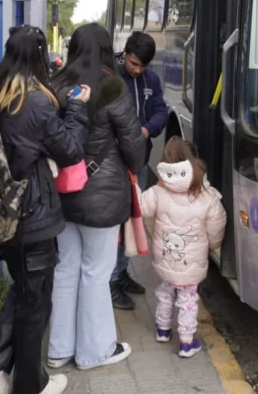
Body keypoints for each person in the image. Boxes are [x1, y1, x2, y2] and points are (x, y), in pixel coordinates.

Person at [0, 26, 90, 394]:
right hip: (34, 214)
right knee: (35, 304)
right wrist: (78, 108)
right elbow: (69, 150)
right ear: (38, 56)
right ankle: (30, 386)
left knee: (24, 293)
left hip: (6, 212)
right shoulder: (34, 101)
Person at [47, 24, 145, 372]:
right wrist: (136, 165)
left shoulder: (56, 83)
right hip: (102, 196)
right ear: (106, 49)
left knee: (66, 268)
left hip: (61, 192)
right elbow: (133, 144)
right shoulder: (114, 86)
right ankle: (95, 351)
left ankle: (59, 350)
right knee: (95, 273)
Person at [140, 137, 226, 358]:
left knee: (165, 292)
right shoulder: (208, 196)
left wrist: (157, 186)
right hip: (192, 262)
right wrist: (214, 246)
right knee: (188, 299)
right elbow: (216, 228)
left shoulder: (158, 193)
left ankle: (163, 330)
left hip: (166, 258)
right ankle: (186, 342)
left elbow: (142, 208)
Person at [111, 31, 169, 309]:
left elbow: (161, 111)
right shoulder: (111, 77)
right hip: (114, 164)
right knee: (115, 224)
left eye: (142, 66)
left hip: (140, 162)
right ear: (125, 54)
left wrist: (147, 130)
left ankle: (121, 272)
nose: (137, 69)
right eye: (133, 63)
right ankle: (110, 281)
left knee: (133, 222)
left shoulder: (151, 80)